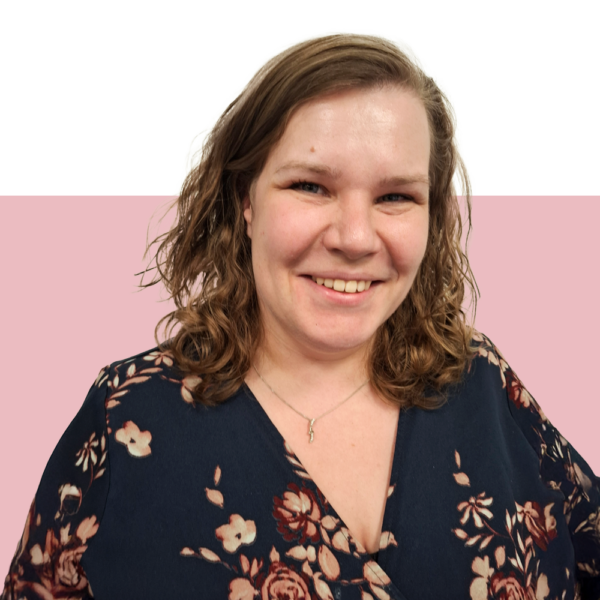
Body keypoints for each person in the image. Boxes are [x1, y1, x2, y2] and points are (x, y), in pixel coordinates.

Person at [2, 30, 599, 600]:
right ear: (246, 200)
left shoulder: (480, 381)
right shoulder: (126, 415)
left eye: (396, 196)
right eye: (311, 186)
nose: (355, 238)